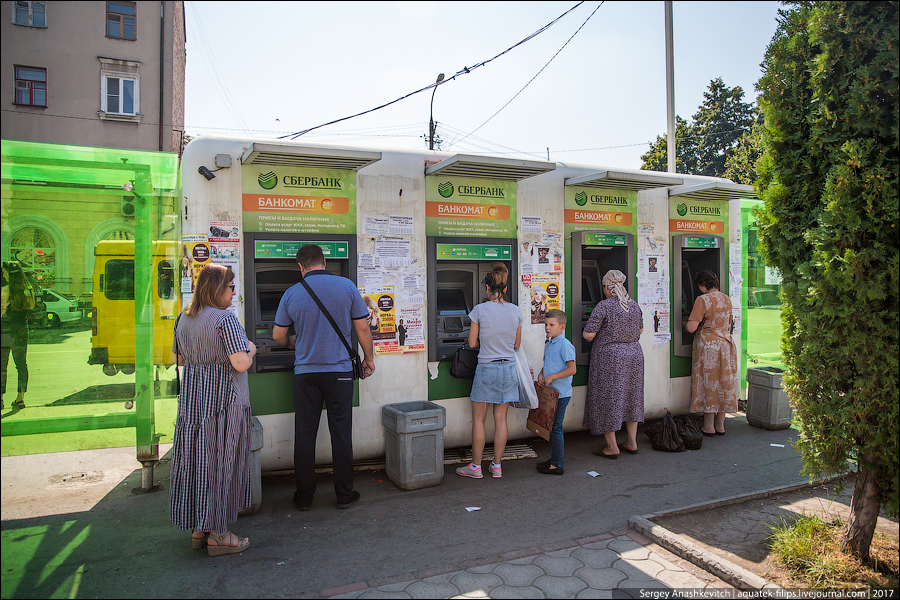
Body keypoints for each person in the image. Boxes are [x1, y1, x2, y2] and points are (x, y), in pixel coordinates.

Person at [273, 244, 375, 511]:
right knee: (341, 434)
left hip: (306, 374)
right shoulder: (346, 286)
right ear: (325, 262)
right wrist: (369, 358)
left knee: (305, 435)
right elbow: (363, 328)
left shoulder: (291, 293)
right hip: (339, 373)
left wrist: (292, 341)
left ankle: (304, 497)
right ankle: (344, 495)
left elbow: (277, 336)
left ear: (301, 266)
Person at [170, 264, 256, 556]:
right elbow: (241, 363)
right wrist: (251, 348)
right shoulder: (225, 320)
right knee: (223, 465)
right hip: (224, 404)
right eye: (231, 287)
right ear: (218, 289)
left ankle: (199, 529)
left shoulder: (183, 317)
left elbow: (180, 360)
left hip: (194, 405)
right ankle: (219, 535)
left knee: (198, 464)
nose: (234, 293)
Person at [456, 263, 522, 480]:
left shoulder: (480, 310)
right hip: (508, 368)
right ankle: (496, 466)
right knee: (501, 419)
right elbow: (516, 345)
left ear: (487, 287)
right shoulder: (515, 311)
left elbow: (472, 343)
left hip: (487, 368)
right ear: (504, 289)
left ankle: (475, 467)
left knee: (479, 420)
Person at [582, 269, 644, 458]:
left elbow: (588, 335)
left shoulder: (604, 306)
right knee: (632, 397)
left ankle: (611, 446)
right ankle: (632, 441)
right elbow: (640, 330)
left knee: (608, 399)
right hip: (634, 355)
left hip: (611, 359)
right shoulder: (633, 305)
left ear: (607, 287)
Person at [685, 270, 738, 436]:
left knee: (709, 384)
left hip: (709, 346)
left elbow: (691, 327)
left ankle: (708, 426)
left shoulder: (702, 299)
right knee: (723, 383)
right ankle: (720, 425)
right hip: (726, 344)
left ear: (702, 285)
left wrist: (684, 323)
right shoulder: (726, 298)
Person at [536, 309, 577, 475]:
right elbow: (547, 364)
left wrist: (553, 376)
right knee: (551, 427)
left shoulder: (565, 345)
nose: (547, 328)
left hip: (561, 393)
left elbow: (572, 369)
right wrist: (541, 373)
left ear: (562, 327)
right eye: (546, 324)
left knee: (556, 428)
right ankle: (554, 459)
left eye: (551, 325)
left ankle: (557, 464)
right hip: (551, 392)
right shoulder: (550, 342)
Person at [1, 261, 36, 410]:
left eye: (4, 272)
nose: (3, 274)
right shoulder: (27, 288)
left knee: (2, 366)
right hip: (22, 330)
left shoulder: (6, 290)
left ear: (10, 273)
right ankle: (20, 398)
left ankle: (1, 399)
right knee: (21, 365)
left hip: (6, 330)